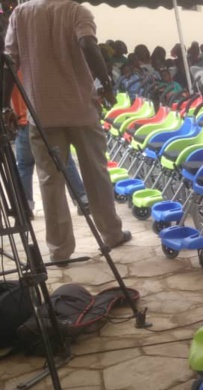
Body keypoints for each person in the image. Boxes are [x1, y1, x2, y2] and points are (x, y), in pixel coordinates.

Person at [3, 0, 130, 262]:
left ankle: (60, 250)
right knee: (96, 173)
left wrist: (4, 104)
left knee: (50, 181)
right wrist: (106, 83)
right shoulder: (76, 11)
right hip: (81, 109)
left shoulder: (21, 13)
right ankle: (111, 233)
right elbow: (87, 44)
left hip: (42, 113)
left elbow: (9, 61)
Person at [11, 74, 90, 220]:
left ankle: (26, 207)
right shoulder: (35, 69)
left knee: (24, 166)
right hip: (47, 121)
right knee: (65, 161)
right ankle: (82, 200)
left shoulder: (10, 73)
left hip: (23, 123)